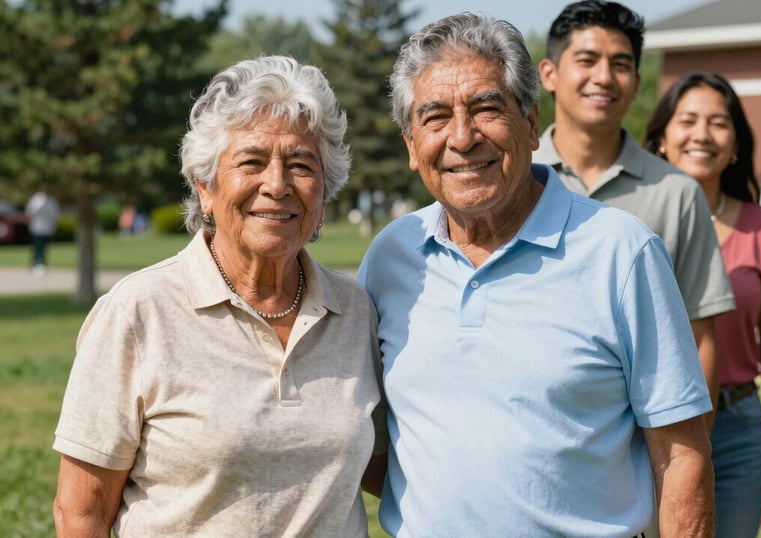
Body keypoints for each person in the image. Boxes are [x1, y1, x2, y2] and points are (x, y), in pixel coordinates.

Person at [358, 12, 714, 537]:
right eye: (435, 118)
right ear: (412, 145)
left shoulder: (622, 252)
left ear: (529, 123)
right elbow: (356, 433)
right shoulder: (392, 255)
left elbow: (682, 455)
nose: (462, 137)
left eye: (486, 108)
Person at [52, 55, 387, 537]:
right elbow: (80, 511)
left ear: (324, 192)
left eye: (300, 164)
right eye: (251, 161)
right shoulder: (138, 312)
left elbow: (391, 470)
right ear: (205, 187)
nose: (277, 184)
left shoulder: (355, 311)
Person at [534, 0, 735, 430]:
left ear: (637, 82)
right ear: (548, 73)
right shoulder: (516, 183)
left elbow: (700, 337)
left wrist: (688, 460)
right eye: (587, 60)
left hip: (648, 441)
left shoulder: (678, 193)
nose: (604, 77)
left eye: (620, 64)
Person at [644, 71, 761, 538]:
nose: (702, 134)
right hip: (649, 423)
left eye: (718, 123)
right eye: (688, 120)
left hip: (738, 427)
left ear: (735, 142)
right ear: (660, 139)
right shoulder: (627, 223)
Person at [25, 189, 59, 275]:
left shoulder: (51, 201)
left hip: (48, 229)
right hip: (37, 228)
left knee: (44, 248)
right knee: (37, 248)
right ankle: (37, 264)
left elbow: (55, 215)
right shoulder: (35, 200)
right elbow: (29, 213)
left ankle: (41, 264)